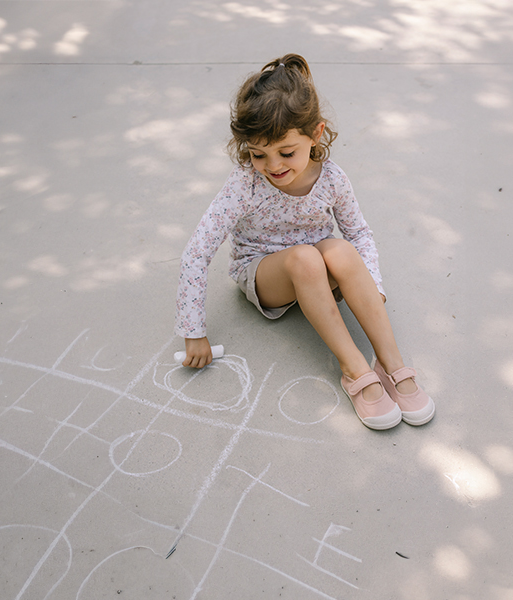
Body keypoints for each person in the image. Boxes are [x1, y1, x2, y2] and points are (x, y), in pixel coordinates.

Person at [174, 53, 435, 430]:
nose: (273, 166)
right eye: (258, 154)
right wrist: (193, 331)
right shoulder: (245, 183)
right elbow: (199, 250)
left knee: (340, 250)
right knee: (305, 259)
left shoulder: (331, 178)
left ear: (315, 134)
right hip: (266, 273)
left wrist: (372, 286)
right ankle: (355, 369)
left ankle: (391, 362)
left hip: (318, 267)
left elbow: (358, 232)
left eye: (286, 152)